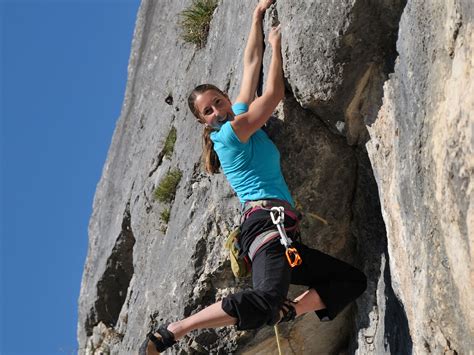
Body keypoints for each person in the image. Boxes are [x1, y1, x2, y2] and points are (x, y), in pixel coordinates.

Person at [140, 1, 367, 354]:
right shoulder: (230, 135)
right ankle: (175, 330)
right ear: (203, 121)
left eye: (218, 101)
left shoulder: (238, 116)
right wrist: (277, 46)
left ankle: (288, 310)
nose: (217, 110)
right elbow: (272, 94)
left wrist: (256, 17)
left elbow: (249, 66)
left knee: (351, 280)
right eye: (208, 110)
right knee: (263, 298)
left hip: (283, 232)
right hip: (265, 227)